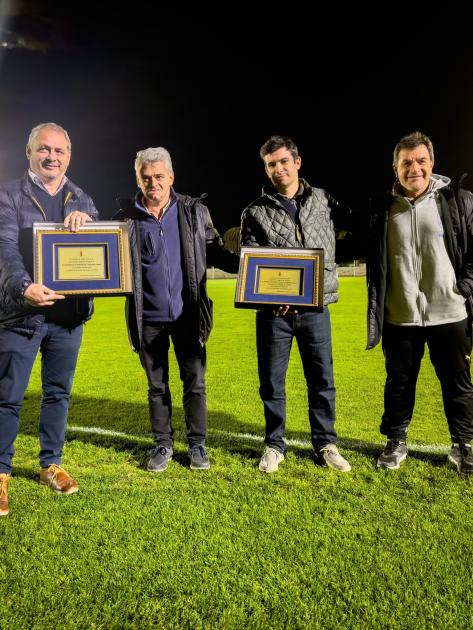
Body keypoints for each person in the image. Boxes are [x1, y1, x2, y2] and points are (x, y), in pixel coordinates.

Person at [115, 147, 238, 472]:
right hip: (148, 319)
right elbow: (104, 262)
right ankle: (162, 445)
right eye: (146, 177)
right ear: (138, 179)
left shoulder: (195, 212)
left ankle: (197, 445)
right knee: (157, 387)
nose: (153, 182)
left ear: (171, 177)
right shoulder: (125, 220)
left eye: (159, 176)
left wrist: (254, 267)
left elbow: (217, 253)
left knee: (194, 383)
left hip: (188, 317)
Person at [0, 122, 99, 517]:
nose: (51, 157)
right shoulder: (8, 194)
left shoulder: (84, 199)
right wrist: (24, 286)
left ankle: (50, 464)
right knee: (7, 396)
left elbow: (100, 253)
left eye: (59, 151)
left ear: (69, 157)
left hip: (67, 318)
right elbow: (4, 249)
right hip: (23, 313)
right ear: (29, 153)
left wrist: (89, 225)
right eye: (44, 149)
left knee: (58, 392)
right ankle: (1, 472)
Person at [240, 135, 352, 474]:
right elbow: (250, 262)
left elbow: (349, 233)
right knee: (272, 381)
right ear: (266, 169)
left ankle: (326, 443)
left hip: (316, 309)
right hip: (274, 315)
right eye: (271, 164)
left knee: (322, 379)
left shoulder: (324, 199)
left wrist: (328, 275)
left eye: (283, 161)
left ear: (297, 162)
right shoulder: (254, 211)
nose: (278, 169)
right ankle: (274, 444)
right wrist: (273, 299)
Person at [366, 131, 473, 474]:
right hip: (401, 316)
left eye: (421, 161)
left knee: (457, 382)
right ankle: (396, 441)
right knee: (399, 383)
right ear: (395, 168)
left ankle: (463, 444)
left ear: (432, 164)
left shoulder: (457, 200)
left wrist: (465, 287)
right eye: (406, 162)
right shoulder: (381, 209)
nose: (415, 168)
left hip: (450, 311)